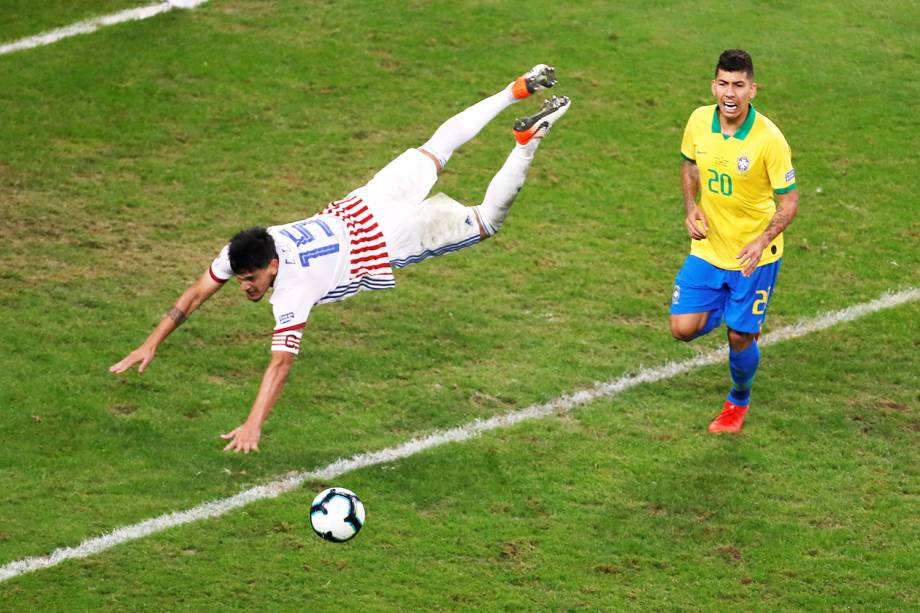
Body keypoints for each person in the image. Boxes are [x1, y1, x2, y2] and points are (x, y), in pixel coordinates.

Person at [110, 65, 571, 452]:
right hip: (364, 203)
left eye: (250, 279)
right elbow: (196, 293)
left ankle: (526, 142)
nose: (244, 286)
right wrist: (153, 341)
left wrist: (254, 423)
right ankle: (514, 90)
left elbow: (280, 364)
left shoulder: (291, 290)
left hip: (386, 240)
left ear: (271, 266)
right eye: (241, 279)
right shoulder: (254, 245)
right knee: (437, 146)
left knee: (487, 222)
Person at [669, 49, 799, 433]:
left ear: (752, 89)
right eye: (724, 83)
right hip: (709, 247)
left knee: (740, 336)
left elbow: (789, 200)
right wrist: (691, 206)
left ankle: (737, 401)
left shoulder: (769, 139)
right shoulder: (698, 121)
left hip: (753, 257)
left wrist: (763, 240)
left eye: (739, 85)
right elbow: (690, 163)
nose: (730, 93)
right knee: (682, 329)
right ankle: (737, 314)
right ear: (714, 85)